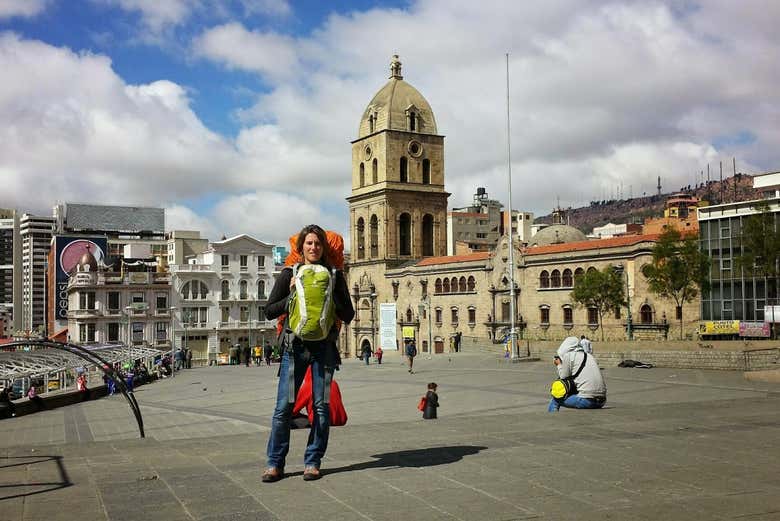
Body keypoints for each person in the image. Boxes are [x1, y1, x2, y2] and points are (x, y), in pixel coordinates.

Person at [262, 224, 354, 483]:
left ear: (324, 248)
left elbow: (349, 315)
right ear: (301, 247)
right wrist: (292, 292)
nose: (313, 247)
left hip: (324, 350)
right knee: (284, 408)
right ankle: (274, 463)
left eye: (318, 244)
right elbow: (270, 311)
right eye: (309, 243)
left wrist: (330, 295)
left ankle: (312, 461)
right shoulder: (289, 273)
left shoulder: (334, 275)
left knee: (321, 408)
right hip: (295, 348)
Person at [548, 336, 606, 412]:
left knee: (555, 399)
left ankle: (552, 420)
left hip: (587, 401)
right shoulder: (589, 355)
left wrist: (559, 364)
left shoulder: (568, 355)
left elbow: (563, 376)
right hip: (602, 400)